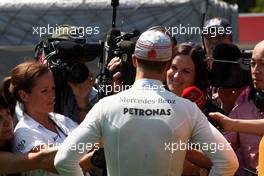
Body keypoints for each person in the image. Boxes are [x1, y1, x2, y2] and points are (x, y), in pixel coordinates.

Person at [54, 29, 238, 176]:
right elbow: (229, 163)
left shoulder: (106, 106)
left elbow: (63, 161)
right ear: (167, 66)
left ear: (134, 61)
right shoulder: (188, 110)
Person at [9, 60, 95, 176]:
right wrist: (102, 152)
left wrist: (82, 99)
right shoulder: (23, 133)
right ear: (24, 95)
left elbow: (90, 137)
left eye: (53, 88)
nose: (53, 95)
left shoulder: (60, 119)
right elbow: (67, 166)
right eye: (44, 91)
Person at [209, 40, 264, 176]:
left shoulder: (235, 121)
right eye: (252, 64)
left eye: (263, 64)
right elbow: (220, 155)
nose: (255, 71)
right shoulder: (240, 112)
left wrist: (233, 124)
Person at [0, 94, 57, 175]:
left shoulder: (13, 141)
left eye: (8, 113)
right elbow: (41, 159)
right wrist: (74, 146)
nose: (7, 122)